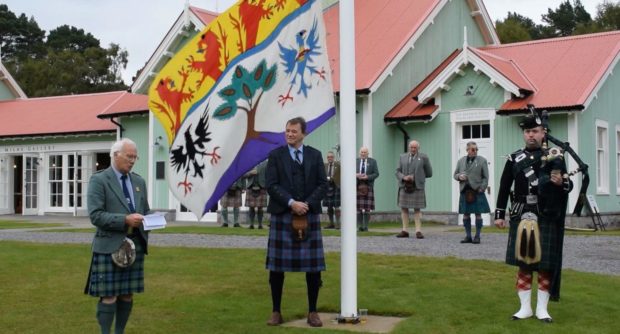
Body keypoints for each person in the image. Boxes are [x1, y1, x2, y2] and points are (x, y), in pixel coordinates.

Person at [494, 114, 572, 323]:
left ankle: (542, 310)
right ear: (524, 134)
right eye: (527, 131)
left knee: (544, 265)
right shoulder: (514, 158)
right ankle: (525, 308)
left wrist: (559, 183)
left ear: (543, 133)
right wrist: (499, 214)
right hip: (521, 213)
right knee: (524, 264)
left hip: (544, 214)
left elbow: (568, 186)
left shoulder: (555, 156)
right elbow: (503, 187)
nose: (531, 135)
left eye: (535, 131)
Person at [265, 117, 327, 327]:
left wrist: (305, 204)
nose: (289, 134)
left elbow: (322, 185)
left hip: (307, 214)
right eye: (287, 131)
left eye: (293, 131)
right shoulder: (275, 156)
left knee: (313, 268)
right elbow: (271, 185)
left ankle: (313, 311)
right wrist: (292, 203)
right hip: (283, 214)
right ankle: (276, 311)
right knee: (276, 268)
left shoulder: (315, 155)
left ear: (303, 133)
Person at [84, 138, 150, 334]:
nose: (132, 161)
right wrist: (125, 220)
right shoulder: (99, 180)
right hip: (109, 245)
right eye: (129, 156)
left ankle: (119, 332)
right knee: (109, 295)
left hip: (134, 244)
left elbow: (144, 210)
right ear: (115, 155)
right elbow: (96, 215)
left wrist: (151, 219)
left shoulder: (138, 181)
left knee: (127, 294)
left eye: (135, 157)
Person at [453, 141, 490, 244]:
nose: (475, 151)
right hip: (465, 190)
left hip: (477, 191)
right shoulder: (460, 161)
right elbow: (455, 174)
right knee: (466, 214)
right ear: (467, 150)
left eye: (476, 149)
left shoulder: (482, 160)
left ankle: (477, 236)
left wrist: (482, 188)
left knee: (478, 214)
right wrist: (459, 177)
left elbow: (486, 177)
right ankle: (468, 236)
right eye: (473, 149)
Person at [395, 140, 432, 239]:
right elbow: (397, 171)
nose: (413, 149)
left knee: (417, 209)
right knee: (404, 208)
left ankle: (418, 231)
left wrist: (416, 177)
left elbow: (429, 173)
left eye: (415, 147)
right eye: (411, 147)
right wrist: (404, 177)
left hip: (417, 186)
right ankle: (405, 230)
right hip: (404, 185)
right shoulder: (402, 157)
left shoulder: (423, 157)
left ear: (418, 148)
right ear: (409, 147)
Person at [356, 146, 379, 231]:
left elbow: (376, 173)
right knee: (358, 209)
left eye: (365, 152)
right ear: (359, 153)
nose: (363, 154)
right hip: (357, 186)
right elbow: (350, 172)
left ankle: (365, 226)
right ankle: (359, 226)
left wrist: (367, 177)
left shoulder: (373, 162)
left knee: (367, 209)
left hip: (368, 186)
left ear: (368, 153)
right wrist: (356, 175)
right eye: (362, 152)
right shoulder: (356, 161)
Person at [245, 159, 268, 229]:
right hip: (251, 187)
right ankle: (251, 224)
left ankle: (260, 225)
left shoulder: (266, 163)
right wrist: (250, 173)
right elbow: (243, 175)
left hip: (262, 187)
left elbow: (269, 175)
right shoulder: (248, 163)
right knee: (251, 207)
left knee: (260, 208)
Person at [322, 151, 341, 229]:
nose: (330, 158)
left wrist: (332, 179)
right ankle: (331, 223)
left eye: (331, 157)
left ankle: (338, 224)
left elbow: (340, 176)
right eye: (328, 157)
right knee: (329, 207)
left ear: (334, 158)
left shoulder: (338, 165)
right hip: (327, 187)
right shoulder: (324, 165)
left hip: (336, 187)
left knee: (336, 207)